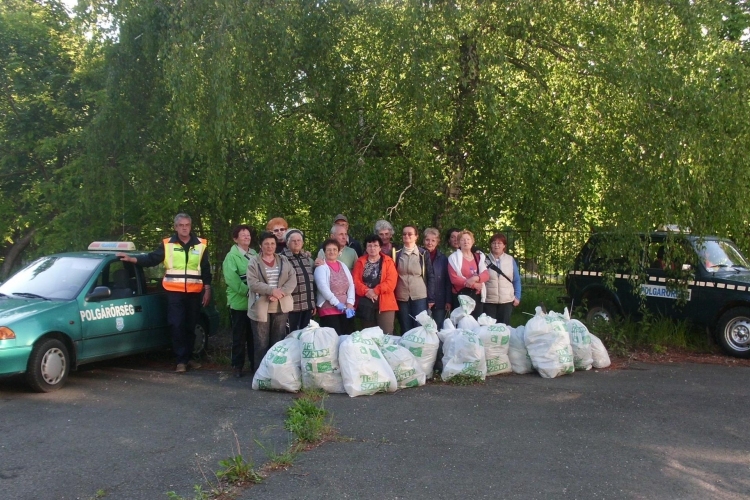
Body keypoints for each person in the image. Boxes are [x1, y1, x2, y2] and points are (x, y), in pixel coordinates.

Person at [117, 213, 211, 373]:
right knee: (176, 325)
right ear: (175, 227)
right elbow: (151, 259)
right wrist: (133, 259)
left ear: (191, 226)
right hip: (174, 293)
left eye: (187, 225)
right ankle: (181, 361)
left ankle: (188, 358)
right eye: (181, 225)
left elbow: (206, 269)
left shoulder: (201, 244)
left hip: (194, 293)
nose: (184, 228)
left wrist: (207, 288)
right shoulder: (168, 244)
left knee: (190, 326)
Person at [246, 231, 297, 370]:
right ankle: (261, 374)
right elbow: (252, 283)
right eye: (266, 244)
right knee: (261, 344)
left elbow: (292, 279)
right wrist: (271, 290)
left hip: (280, 306)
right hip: (260, 308)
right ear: (261, 246)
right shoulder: (254, 261)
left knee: (278, 342)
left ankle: (276, 373)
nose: (270, 246)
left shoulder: (283, 260)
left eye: (272, 244)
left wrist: (280, 294)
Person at [222, 225, 257, 377]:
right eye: (242, 235)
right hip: (239, 302)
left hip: (255, 303)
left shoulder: (255, 254)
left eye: (248, 234)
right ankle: (237, 365)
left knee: (253, 336)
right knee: (239, 336)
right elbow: (232, 279)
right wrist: (247, 291)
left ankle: (254, 364)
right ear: (235, 239)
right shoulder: (231, 257)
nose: (246, 237)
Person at [352, 234, 398, 334]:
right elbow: (355, 281)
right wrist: (367, 291)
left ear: (380, 247)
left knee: (387, 333)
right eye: (369, 246)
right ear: (366, 248)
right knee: (368, 334)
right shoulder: (360, 262)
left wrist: (375, 291)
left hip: (385, 302)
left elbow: (391, 282)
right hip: (366, 302)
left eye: (375, 245)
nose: (372, 248)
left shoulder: (388, 261)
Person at [393, 225, 435, 334]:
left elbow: (430, 275)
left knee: (420, 327)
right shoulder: (396, 254)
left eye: (410, 234)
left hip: (420, 296)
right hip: (401, 296)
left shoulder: (423, 253)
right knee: (405, 327)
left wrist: (431, 298)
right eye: (404, 234)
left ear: (416, 236)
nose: (407, 236)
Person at [314, 238, 355, 334]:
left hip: (345, 308)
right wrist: (336, 303)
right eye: (328, 250)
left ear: (339, 252)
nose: (332, 252)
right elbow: (323, 288)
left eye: (334, 249)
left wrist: (350, 303)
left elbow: (351, 285)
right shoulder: (321, 268)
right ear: (324, 252)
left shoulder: (343, 265)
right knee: (334, 338)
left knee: (347, 336)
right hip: (329, 308)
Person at [448, 230, 489, 319]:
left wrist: (476, 278)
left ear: (472, 241)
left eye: (468, 239)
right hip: (461, 296)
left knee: (476, 324)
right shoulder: (453, 258)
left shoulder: (478, 257)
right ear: (459, 243)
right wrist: (474, 285)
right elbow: (454, 279)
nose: (466, 242)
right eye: (463, 240)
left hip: (476, 296)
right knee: (462, 325)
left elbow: (486, 274)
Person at [281, 228, 316, 332]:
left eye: (299, 240)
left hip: (307, 305)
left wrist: (312, 303)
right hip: (292, 307)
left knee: (306, 335)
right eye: (293, 241)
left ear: (303, 243)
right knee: (292, 336)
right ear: (287, 243)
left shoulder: (306, 258)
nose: (296, 243)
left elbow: (311, 282)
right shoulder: (283, 259)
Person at [483, 233, 521, 326]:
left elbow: (516, 280)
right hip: (489, 300)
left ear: (504, 245)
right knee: (489, 328)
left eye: (499, 243)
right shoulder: (484, 260)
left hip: (506, 300)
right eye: (493, 243)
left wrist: (517, 296)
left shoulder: (510, 259)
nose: (496, 245)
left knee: (504, 327)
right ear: (490, 245)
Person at [423, 227, 452, 329]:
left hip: (440, 299)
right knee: (422, 328)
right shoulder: (418, 255)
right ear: (423, 240)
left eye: (433, 240)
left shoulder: (443, 258)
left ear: (437, 242)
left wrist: (448, 300)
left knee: (438, 328)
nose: (430, 243)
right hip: (422, 298)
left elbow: (447, 281)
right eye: (427, 240)